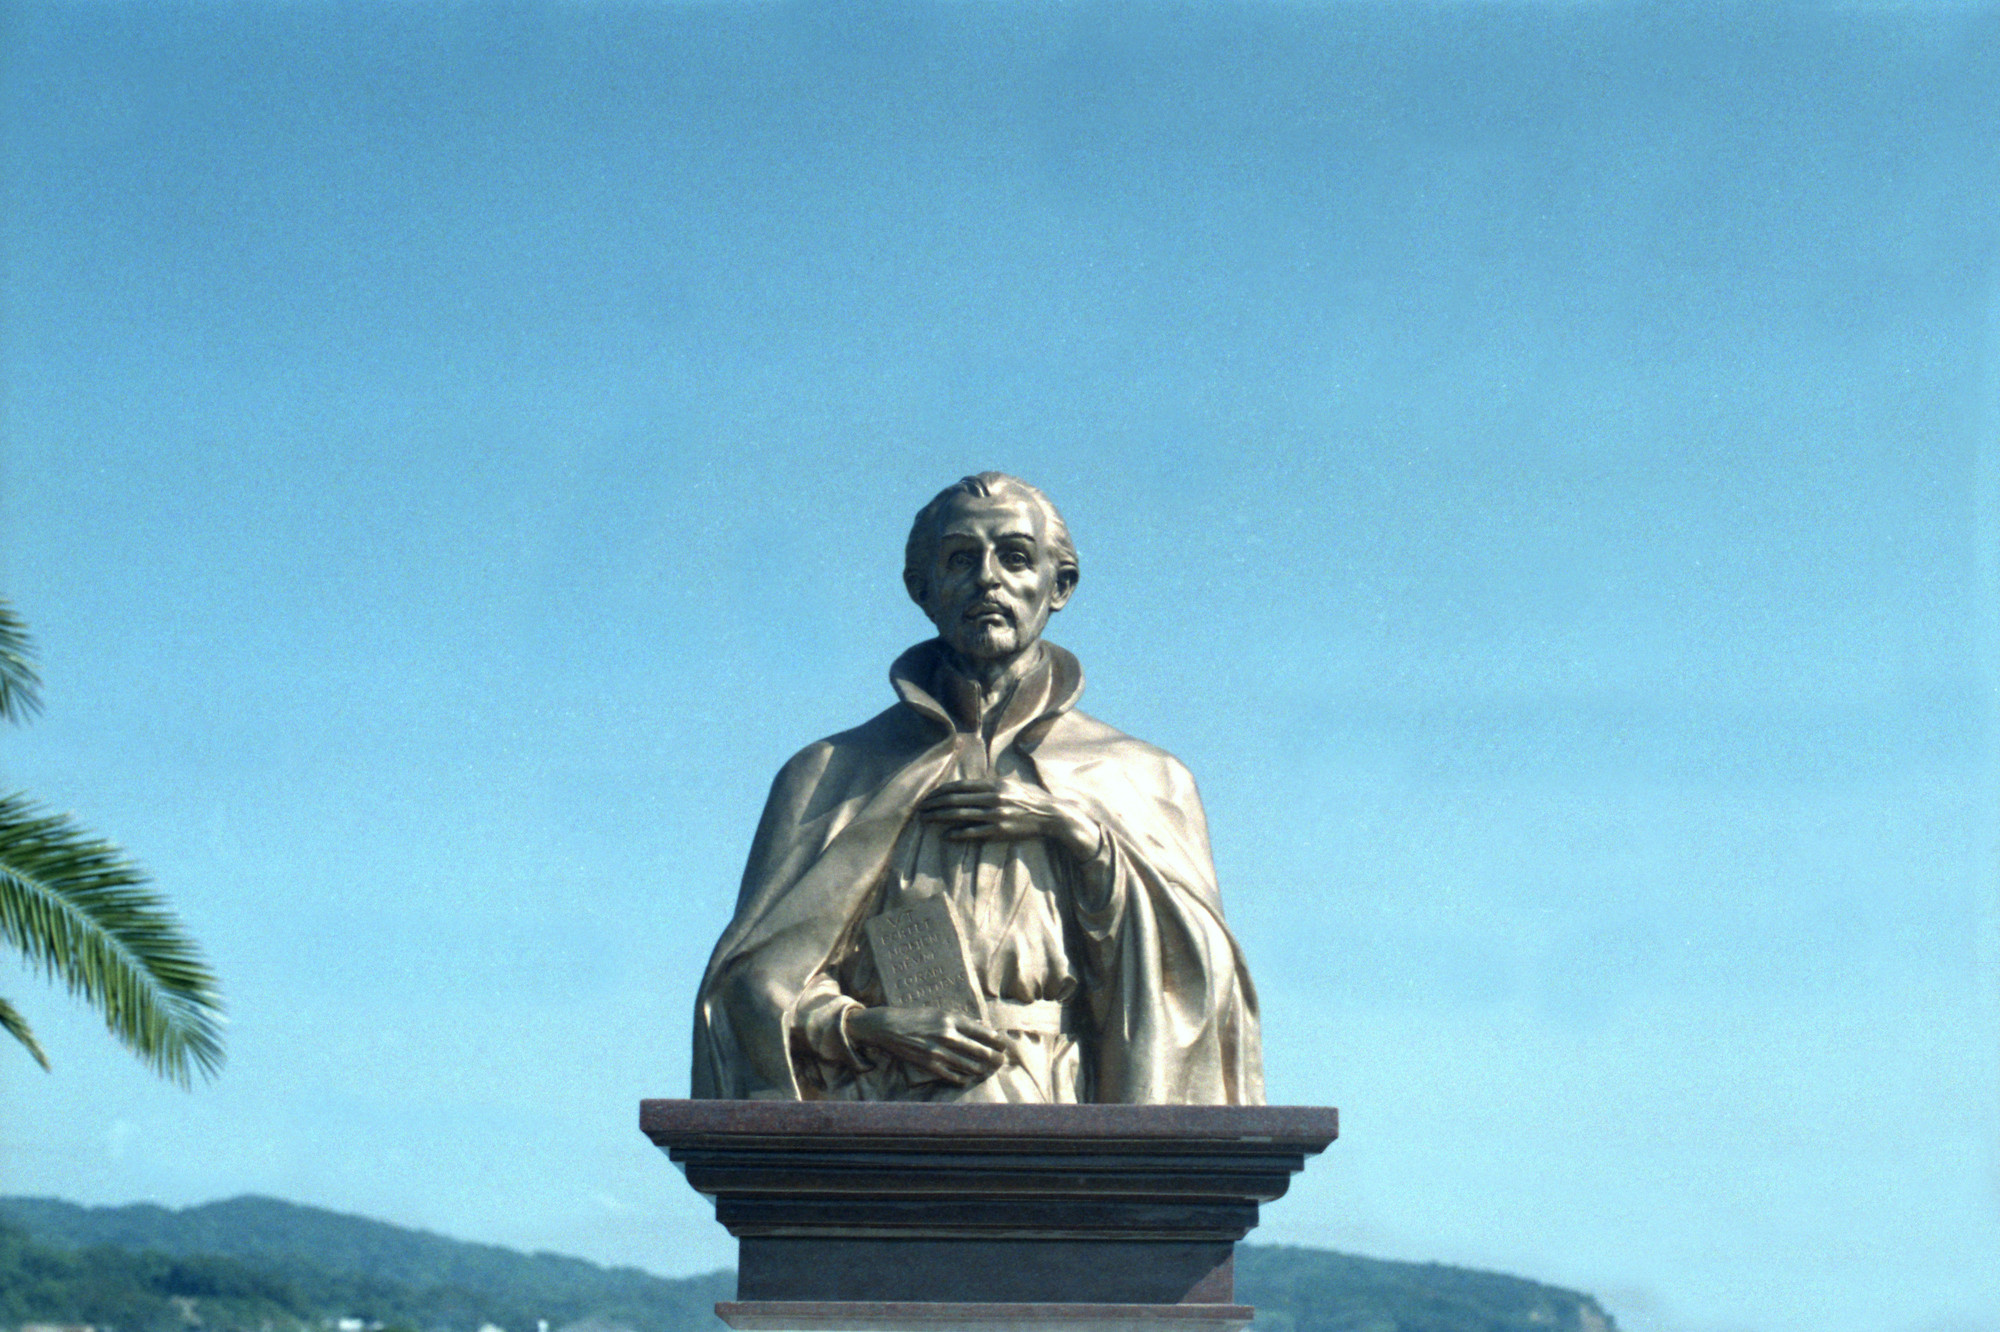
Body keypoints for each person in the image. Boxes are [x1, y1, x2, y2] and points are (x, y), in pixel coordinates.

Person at [691, 473, 1262, 1103]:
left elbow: (1201, 987)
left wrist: (1083, 839)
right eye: (961, 559)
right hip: (878, 1120)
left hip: (1061, 1112)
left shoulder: (1145, 777)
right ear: (922, 588)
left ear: (1059, 585)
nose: (988, 578)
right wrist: (864, 1025)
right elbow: (748, 989)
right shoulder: (830, 774)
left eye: (1015, 557)